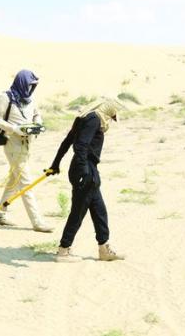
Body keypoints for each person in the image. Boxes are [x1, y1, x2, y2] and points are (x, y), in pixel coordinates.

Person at [48, 98, 126, 262]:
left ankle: (104, 249)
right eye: (112, 115)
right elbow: (80, 146)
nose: (112, 119)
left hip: (87, 169)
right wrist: (84, 172)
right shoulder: (94, 119)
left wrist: (55, 164)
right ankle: (63, 250)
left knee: (99, 211)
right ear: (107, 109)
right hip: (85, 170)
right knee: (78, 212)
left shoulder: (84, 118)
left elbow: (66, 142)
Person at [0, 69, 53, 233]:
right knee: (26, 184)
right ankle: (37, 222)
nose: (31, 88)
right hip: (13, 144)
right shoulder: (5, 97)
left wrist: (37, 124)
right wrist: (14, 129)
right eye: (29, 85)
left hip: (27, 144)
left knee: (13, 182)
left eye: (33, 86)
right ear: (22, 83)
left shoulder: (30, 99)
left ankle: (0, 215)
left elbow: (36, 114)